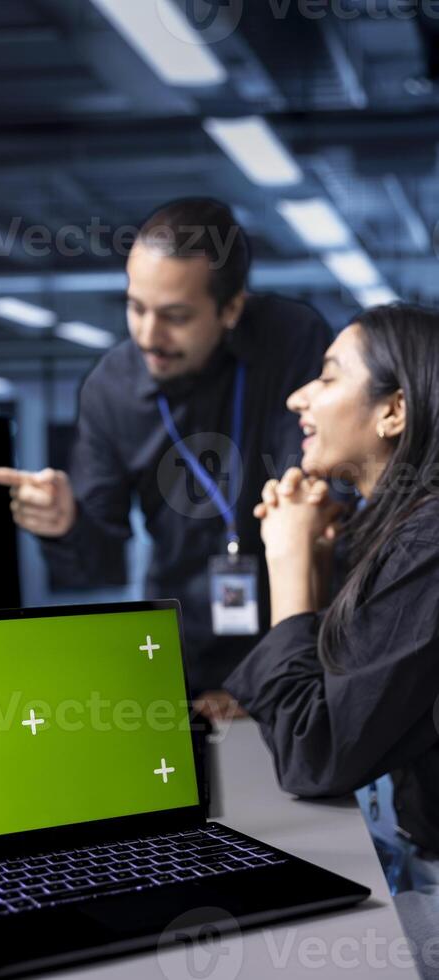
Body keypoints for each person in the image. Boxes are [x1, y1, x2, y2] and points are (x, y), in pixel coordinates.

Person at [0, 198, 331, 695]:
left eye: (175, 316)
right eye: (136, 307)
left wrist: (267, 683)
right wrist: (66, 522)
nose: (148, 335)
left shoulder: (289, 339)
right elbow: (102, 559)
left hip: (297, 631)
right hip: (181, 647)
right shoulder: (112, 388)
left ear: (231, 309)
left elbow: (308, 491)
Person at [222, 304, 439, 976]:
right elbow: (347, 691)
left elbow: (315, 755)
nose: (298, 397)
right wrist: (315, 562)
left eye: (327, 376)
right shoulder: (405, 529)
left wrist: (288, 562)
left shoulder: (429, 542)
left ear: (393, 411)